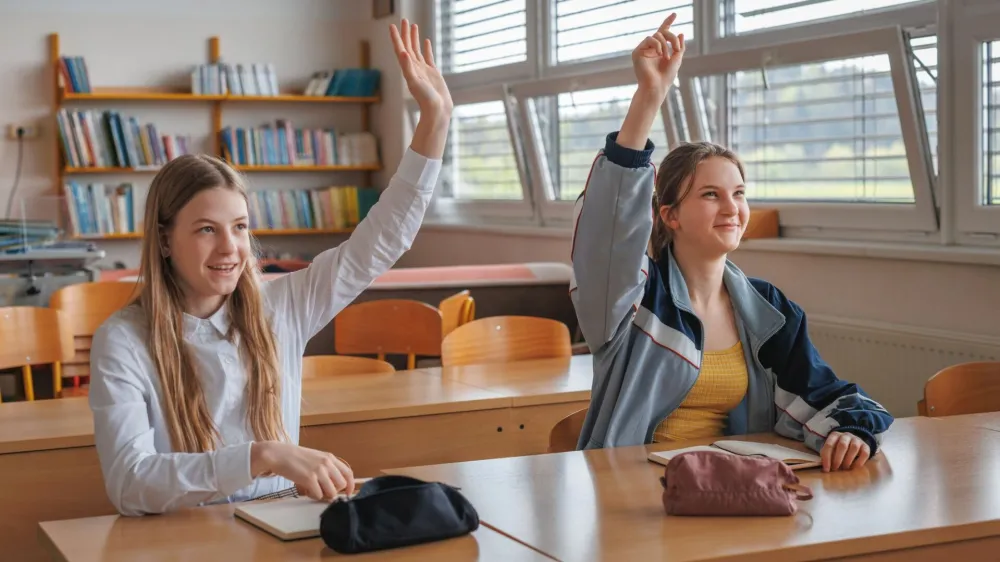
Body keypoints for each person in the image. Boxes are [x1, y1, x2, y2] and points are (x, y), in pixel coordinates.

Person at [88, 19, 453, 516]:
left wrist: (435, 121)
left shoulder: (281, 304)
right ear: (164, 241)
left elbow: (381, 240)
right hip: (180, 534)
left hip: (279, 520)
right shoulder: (124, 338)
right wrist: (261, 456)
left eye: (239, 227)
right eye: (205, 229)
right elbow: (131, 485)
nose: (230, 248)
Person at [570, 13, 893, 472]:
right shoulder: (633, 299)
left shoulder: (765, 308)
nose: (731, 208)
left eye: (738, 194)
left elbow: (827, 394)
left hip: (731, 488)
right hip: (633, 491)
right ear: (669, 215)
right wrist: (650, 95)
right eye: (710, 195)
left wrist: (853, 431)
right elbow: (609, 232)